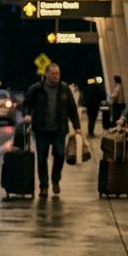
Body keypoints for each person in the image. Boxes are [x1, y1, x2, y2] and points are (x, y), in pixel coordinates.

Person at [21, 63, 81, 197]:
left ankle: (55, 180)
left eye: (57, 73)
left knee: (59, 154)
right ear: (46, 74)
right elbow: (27, 104)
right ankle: (44, 186)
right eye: (53, 74)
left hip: (59, 129)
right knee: (42, 158)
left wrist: (77, 127)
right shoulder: (37, 89)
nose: (56, 76)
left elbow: (72, 109)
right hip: (41, 129)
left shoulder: (64, 89)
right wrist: (27, 115)